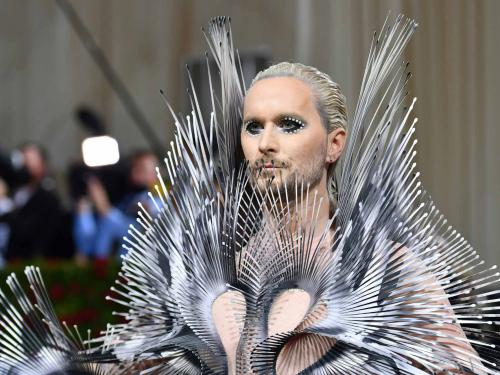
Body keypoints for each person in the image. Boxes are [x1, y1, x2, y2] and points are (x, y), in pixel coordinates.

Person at [212, 62, 483, 374]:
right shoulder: (222, 278)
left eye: (289, 124)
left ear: (334, 144)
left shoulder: (388, 271)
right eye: (253, 127)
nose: (265, 144)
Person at [73, 150, 160, 262]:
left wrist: (104, 207)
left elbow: (141, 225)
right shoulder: (125, 198)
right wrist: (84, 212)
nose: (134, 172)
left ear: (155, 175)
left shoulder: (160, 201)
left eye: (141, 169)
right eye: (133, 167)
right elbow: (90, 243)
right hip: (103, 267)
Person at [0, 142, 64, 260]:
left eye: (30, 160)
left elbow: (28, 233)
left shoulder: (47, 199)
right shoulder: (12, 192)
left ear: (43, 166)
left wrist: (6, 208)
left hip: (29, 267)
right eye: (23, 160)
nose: (25, 165)